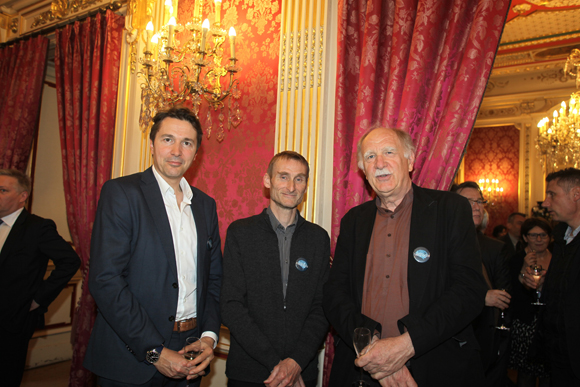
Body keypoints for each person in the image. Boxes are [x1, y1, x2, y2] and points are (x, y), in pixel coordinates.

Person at [323, 127, 487, 387]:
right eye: (370, 157)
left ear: (410, 161)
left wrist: (406, 346)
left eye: (389, 152)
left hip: (434, 367)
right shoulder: (353, 221)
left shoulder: (450, 210)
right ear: (363, 171)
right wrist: (371, 349)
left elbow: (469, 290)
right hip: (361, 371)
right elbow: (334, 294)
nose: (379, 163)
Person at [83, 107, 223, 387]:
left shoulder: (206, 206)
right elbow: (105, 280)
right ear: (151, 145)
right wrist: (154, 351)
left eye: (187, 143)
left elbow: (214, 279)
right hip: (130, 354)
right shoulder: (121, 193)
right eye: (167, 139)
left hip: (191, 350)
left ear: (196, 153)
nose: (177, 151)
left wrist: (208, 336)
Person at [221, 151, 330, 387]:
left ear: (306, 185)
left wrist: (296, 362)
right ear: (268, 180)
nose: (291, 186)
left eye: (299, 179)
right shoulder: (240, 233)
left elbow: (322, 307)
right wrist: (277, 364)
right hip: (249, 373)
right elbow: (231, 305)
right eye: (283, 177)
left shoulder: (318, 239)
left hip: (302, 373)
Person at [0, 169, 80, 387]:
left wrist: (38, 299)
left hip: (12, 319)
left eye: (3, 190)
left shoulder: (37, 227)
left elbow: (70, 261)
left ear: (22, 196)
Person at [453, 181, 511, 387]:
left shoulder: (495, 248)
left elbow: (505, 294)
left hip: (485, 335)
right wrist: (481, 296)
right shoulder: (441, 242)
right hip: (449, 337)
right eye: (469, 201)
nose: (477, 206)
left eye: (479, 201)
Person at [539, 168, 580, 385]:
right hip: (557, 357)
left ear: (576, 194)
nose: (545, 203)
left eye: (552, 194)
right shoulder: (561, 240)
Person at [508, 217, 552, 387]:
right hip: (525, 324)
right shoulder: (516, 260)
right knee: (526, 374)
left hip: (549, 323)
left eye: (543, 235)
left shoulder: (557, 259)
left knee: (549, 375)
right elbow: (513, 295)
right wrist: (522, 270)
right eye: (534, 236)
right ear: (525, 237)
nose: (539, 240)